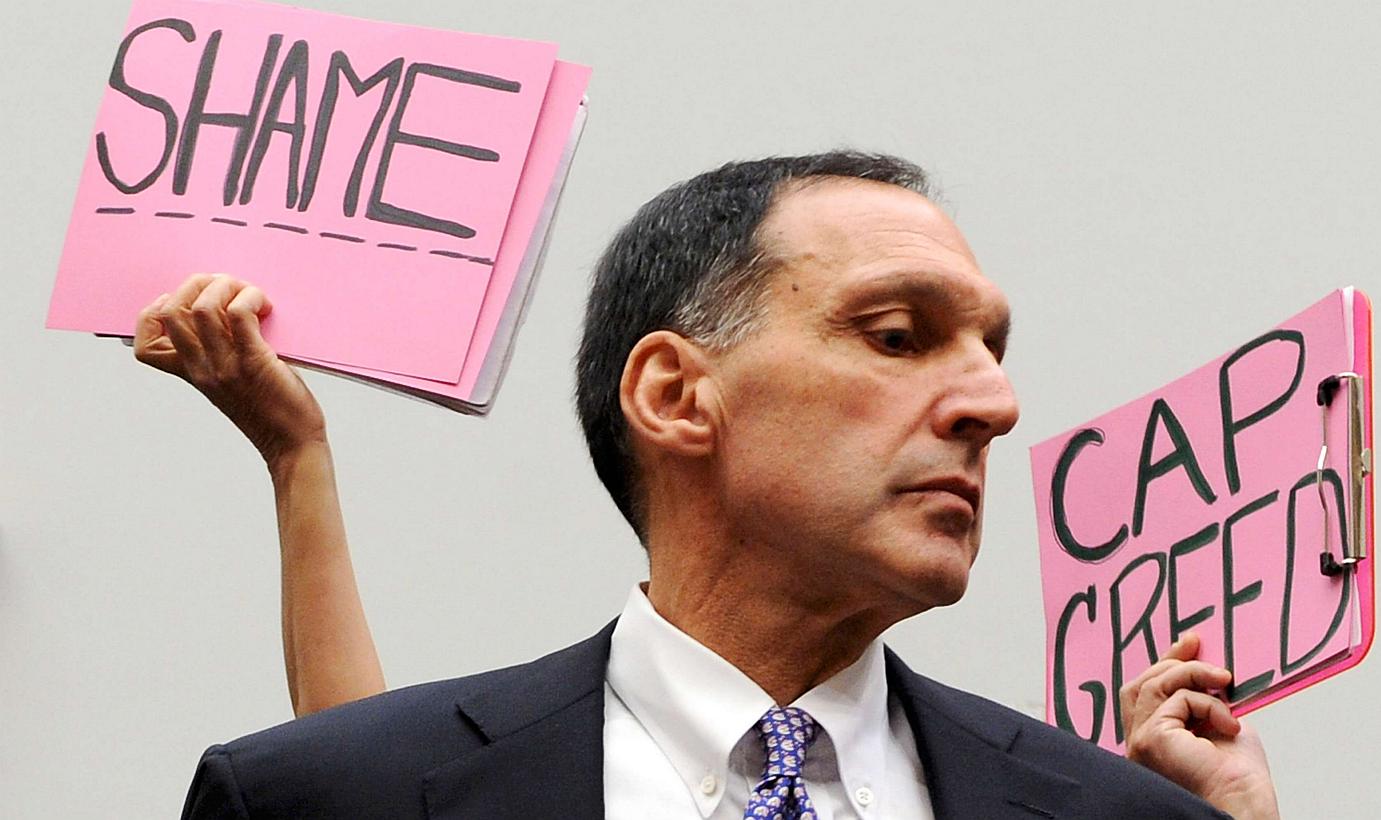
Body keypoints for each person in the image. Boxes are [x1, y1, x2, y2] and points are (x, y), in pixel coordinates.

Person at [145, 152, 1279, 818]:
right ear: (677, 396)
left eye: (991, 347)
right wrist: (297, 461)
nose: (993, 402)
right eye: (897, 335)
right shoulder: (327, 801)